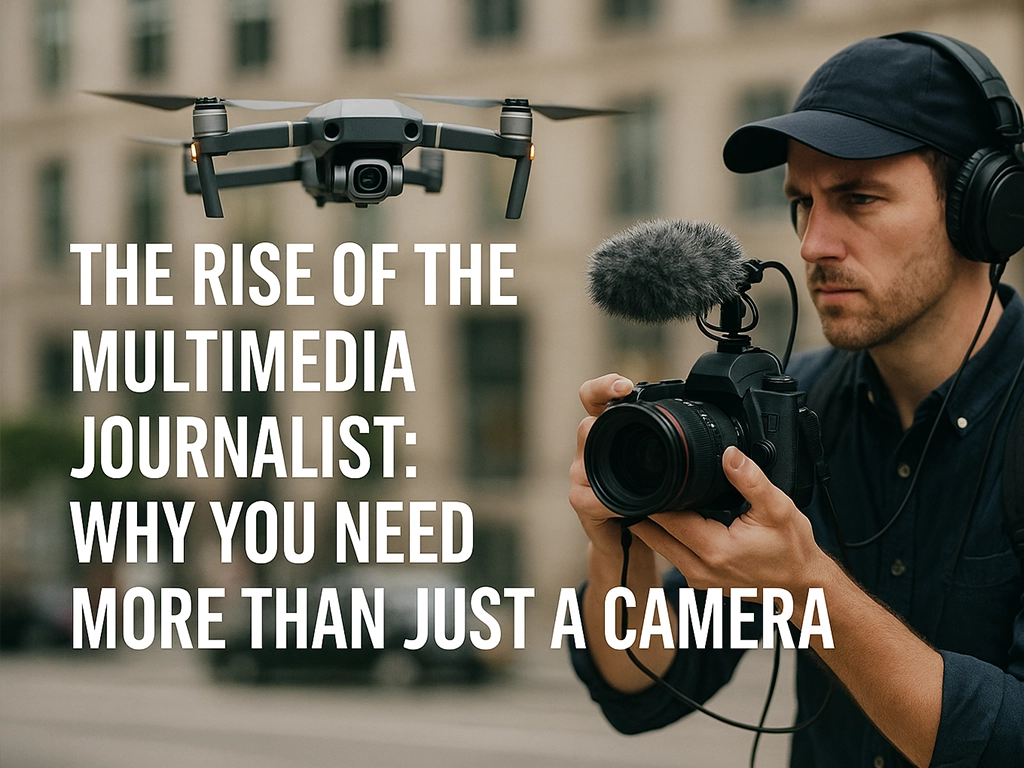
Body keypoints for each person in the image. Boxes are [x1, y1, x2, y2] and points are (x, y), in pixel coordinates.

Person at [568, 33, 1024, 768]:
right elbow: (644, 687)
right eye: (801, 204)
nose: (813, 243)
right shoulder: (791, 404)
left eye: (858, 199)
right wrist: (618, 545)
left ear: (983, 208)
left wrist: (806, 584)